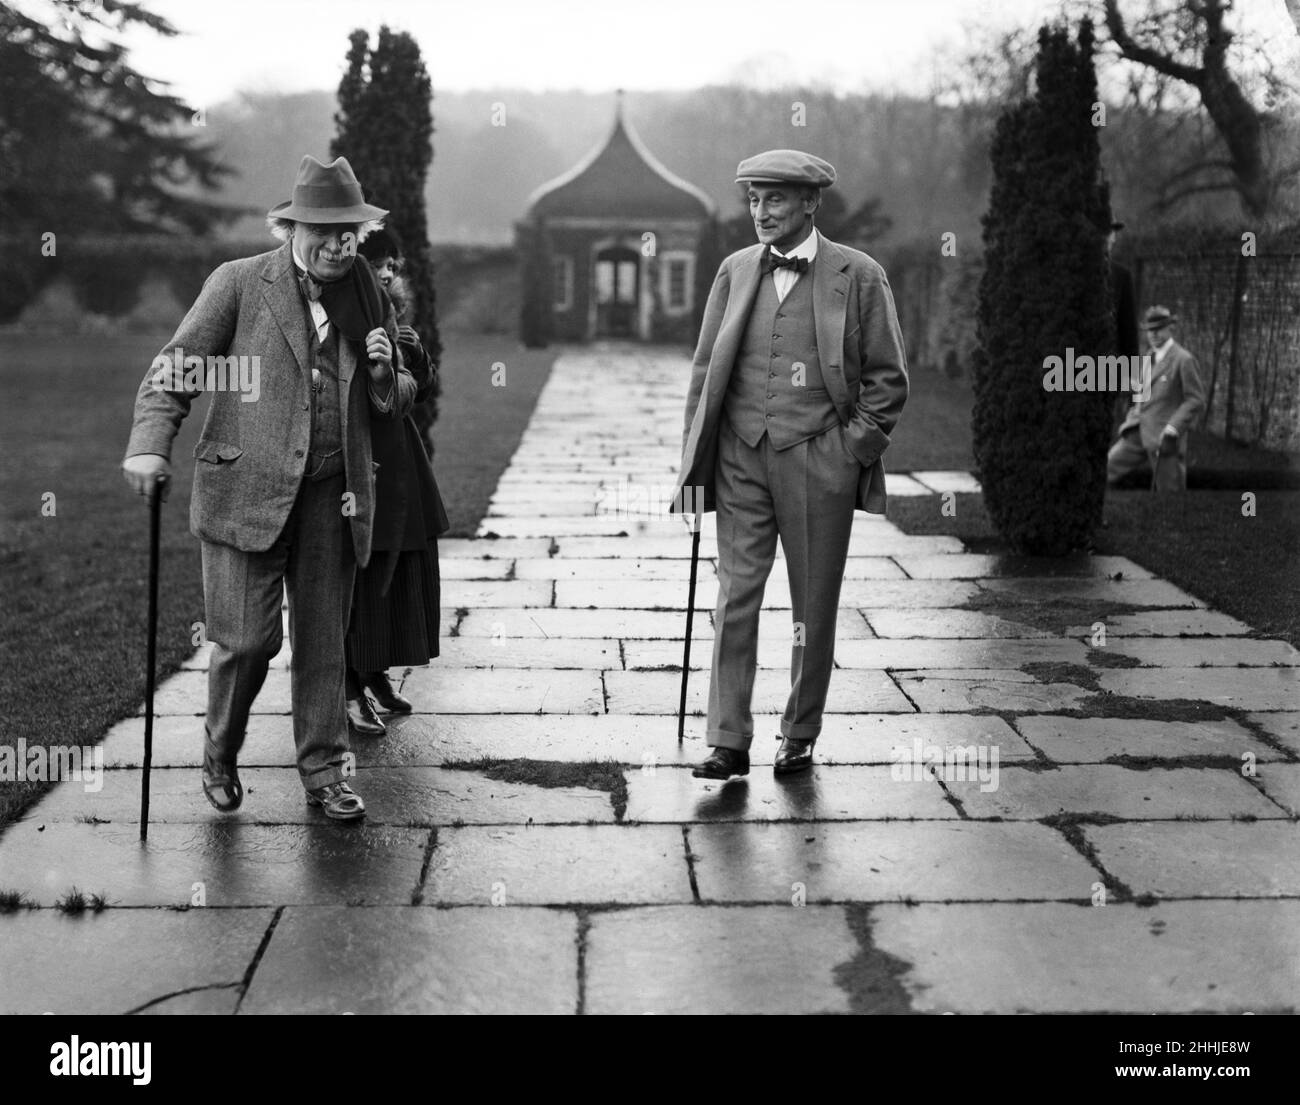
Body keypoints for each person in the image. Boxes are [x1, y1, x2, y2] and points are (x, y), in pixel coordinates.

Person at [122, 155, 416, 821]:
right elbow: (176, 368)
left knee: (322, 642)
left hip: (332, 497)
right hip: (244, 490)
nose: (339, 244)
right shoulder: (239, 284)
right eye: (324, 230)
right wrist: (148, 444)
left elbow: (398, 396)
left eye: (350, 232)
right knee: (249, 641)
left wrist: (379, 378)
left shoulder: (370, 298)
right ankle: (220, 749)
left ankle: (325, 772)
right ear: (292, 227)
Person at [671, 149, 908, 780]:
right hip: (739, 459)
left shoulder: (859, 276)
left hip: (818, 462)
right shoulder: (734, 270)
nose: (760, 212)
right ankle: (727, 739)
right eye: (753, 199)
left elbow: (888, 379)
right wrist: (694, 462)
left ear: (810, 203)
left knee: (813, 605)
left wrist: (850, 450)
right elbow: (705, 372)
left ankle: (799, 733)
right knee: (734, 598)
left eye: (774, 199)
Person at [343, 227, 449, 737]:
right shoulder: (346, 318)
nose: (387, 272)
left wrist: (413, 354)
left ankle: (376, 672)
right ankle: (347, 687)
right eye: (378, 262)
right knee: (360, 577)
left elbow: (423, 388)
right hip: (361, 461)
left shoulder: (393, 322)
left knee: (397, 569)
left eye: (394, 264)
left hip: (400, 458)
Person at [1106, 305, 1206, 492]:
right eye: (1150, 330)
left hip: (1164, 438)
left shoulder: (1183, 360)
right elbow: (1141, 393)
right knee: (1105, 469)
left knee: (1170, 494)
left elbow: (1196, 399)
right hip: (1137, 432)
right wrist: (1134, 411)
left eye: (1158, 329)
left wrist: (1173, 427)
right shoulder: (1148, 357)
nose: (1153, 334)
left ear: (1170, 328)